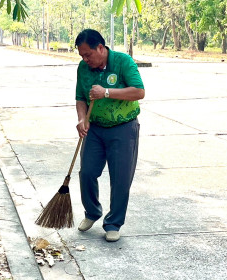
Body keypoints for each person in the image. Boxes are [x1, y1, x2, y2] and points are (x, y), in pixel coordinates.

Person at [74, 29, 145, 242]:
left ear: (100, 48)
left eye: (88, 55)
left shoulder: (123, 62)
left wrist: (106, 92)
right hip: (95, 128)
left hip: (123, 129)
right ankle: (92, 212)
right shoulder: (83, 68)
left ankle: (113, 223)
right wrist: (81, 119)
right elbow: (80, 97)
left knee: (121, 178)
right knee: (86, 172)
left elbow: (139, 91)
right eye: (82, 56)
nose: (85, 60)